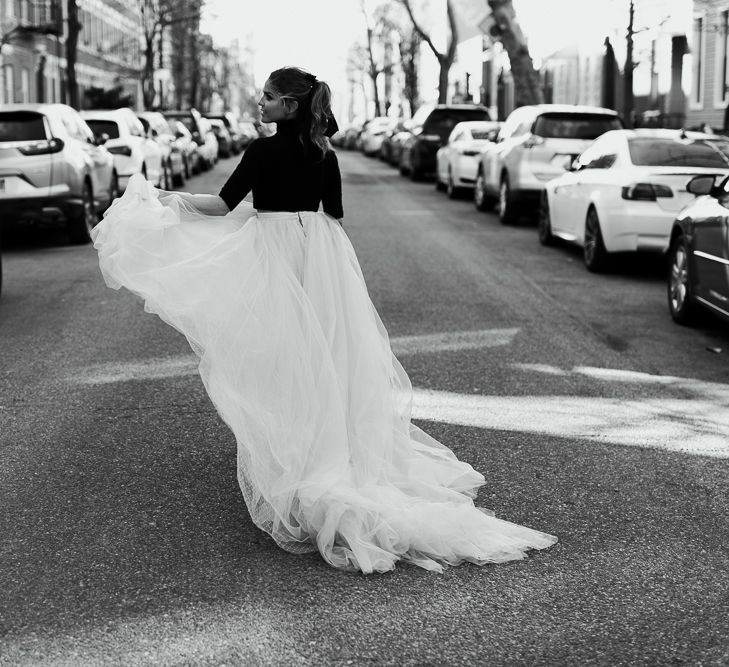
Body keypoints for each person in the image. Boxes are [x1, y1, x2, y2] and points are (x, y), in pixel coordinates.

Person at [90, 66, 557, 574]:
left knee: (281, 352)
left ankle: (300, 451)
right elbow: (332, 211)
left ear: (289, 106)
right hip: (322, 258)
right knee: (330, 354)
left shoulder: (262, 150)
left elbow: (222, 205)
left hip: (273, 256)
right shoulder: (324, 153)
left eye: (268, 97)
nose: (260, 102)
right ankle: (337, 448)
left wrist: (168, 201)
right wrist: (300, 224)